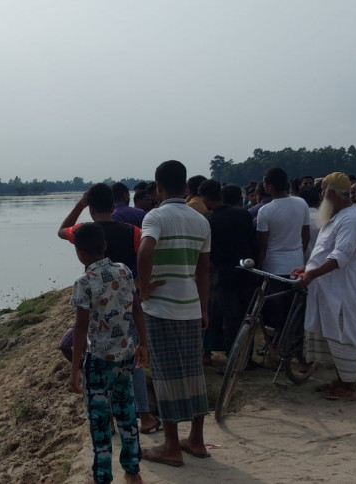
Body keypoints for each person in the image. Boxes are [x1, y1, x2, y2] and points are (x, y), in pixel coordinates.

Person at [58, 184, 160, 434]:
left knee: (79, 349)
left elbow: (61, 231)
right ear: (114, 206)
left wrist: (80, 204)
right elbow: (147, 257)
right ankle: (144, 416)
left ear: (91, 208)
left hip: (96, 308)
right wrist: (139, 285)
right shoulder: (133, 231)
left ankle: (112, 416)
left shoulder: (84, 232)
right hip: (126, 303)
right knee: (132, 359)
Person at [136, 160, 211, 466]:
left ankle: (170, 446)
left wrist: (144, 288)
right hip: (190, 306)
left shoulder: (155, 216)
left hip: (161, 309)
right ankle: (196, 439)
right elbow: (204, 269)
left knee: (166, 375)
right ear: (186, 186)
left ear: (158, 187)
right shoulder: (200, 220)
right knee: (194, 373)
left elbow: (144, 251)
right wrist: (203, 307)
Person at [68, 223, 145, 484]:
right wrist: (143, 344)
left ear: (80, 253)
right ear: (105, 245)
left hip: (99, 360)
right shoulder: (124, 270)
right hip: (126, 353)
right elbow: (136, 308)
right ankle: (133, 472)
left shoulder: (84, 282)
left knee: (100, 420)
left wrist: (75, 369)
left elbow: (80, 327)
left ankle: (102, 477)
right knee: (126, 412)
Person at [299, 172, 356, 400]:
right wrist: (308, 269)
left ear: (333, 193)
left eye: (323, 190)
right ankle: (340, 380)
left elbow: (340, 256)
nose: (320, 195)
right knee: (331, 336)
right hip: (327, 289)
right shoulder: (335, 217)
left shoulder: (350, 220)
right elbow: (323, 252)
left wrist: (313, 273)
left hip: (342, 292)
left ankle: (350, 388)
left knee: (343, 336)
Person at [200, 180, 257, 366]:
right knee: (248, 317)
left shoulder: (210, 222)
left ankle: (233, 360)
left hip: (224, 275)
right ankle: (247, 357)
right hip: (248, 272)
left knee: (230, 320)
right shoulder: (243, 214)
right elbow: (253, 242)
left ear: (206, 198)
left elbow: (209, 255)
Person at [256, 167, 311, 335]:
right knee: (293, 311)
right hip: (296, 265)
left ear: (270, 186)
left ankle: (275, 343)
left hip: (274, 268)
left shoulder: (265, 210)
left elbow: (263, 244)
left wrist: (259, 266)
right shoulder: (301, 203)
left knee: (275, 314)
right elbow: (306, 235)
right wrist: (298, 253)